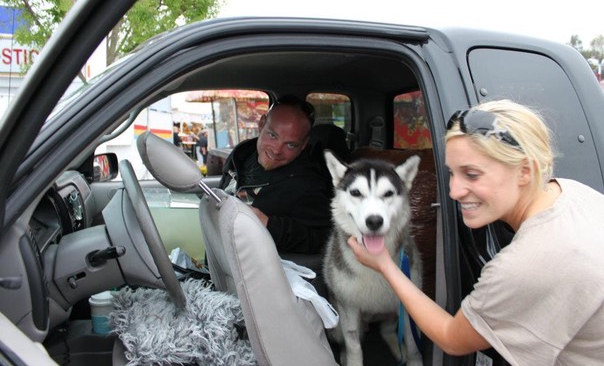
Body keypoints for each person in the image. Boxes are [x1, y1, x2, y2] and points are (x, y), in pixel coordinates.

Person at [348, 99, 604, 365]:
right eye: (452, 173)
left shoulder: (526, 265)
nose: (454, 191)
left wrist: (385, 266)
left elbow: (451, 338)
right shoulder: (573, 191)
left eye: (472, 174)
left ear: (525, 171)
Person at [220, 94, 332, 254]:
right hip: (220, 256)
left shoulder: (307, 184)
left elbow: (324, 239)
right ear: (261, 124)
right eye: (272, 135)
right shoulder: (241, 156)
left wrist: (269, 225)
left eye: (291, 145)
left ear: (303, 145)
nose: (277, 150)